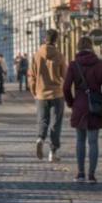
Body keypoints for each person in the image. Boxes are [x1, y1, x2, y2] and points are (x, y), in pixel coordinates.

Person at [64, 36, 102, 183]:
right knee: (93, 141)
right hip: (95, 106)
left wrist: (71, 102)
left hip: (79, 105)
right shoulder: (100, 64)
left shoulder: (74, 65)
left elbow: (66, 87)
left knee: (80, 140)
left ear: (78, 47)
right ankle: (92, 174)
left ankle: (80, 173)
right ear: (91, 47)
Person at [28, 29, 67, 162]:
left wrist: (34, 91)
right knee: (56, 123)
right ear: (56, 40)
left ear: (45, 39)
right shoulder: (60, 55)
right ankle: (53, 153)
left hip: (41, 94)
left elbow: (31, 76)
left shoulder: (37, 55)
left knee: (43, 120)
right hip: (57, 94)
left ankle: (40, 138)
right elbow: (65, 76)